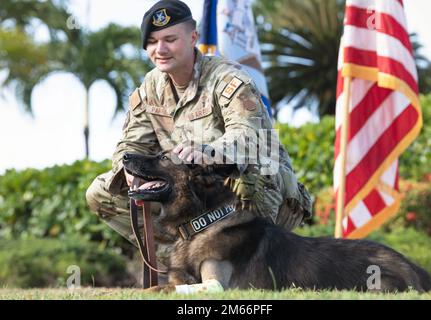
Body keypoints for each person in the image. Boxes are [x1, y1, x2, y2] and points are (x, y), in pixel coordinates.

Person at [86, 0, 311, 270]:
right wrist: (130, 171)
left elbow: (249, 137)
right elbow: (130, 146)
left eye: (170, 39)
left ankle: (252, 264)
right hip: (194, 198)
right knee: (102, 191)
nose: (161, 49)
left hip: (261, 191)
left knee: (250, 175)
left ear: (193, 38)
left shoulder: (227, 79)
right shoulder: (149, 88)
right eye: (152, 41)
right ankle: (187, 264)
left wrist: (208, 153)